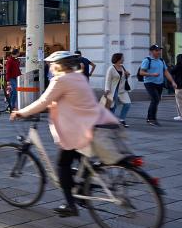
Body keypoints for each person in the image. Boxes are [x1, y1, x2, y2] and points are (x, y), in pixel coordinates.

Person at [11, 51, 119, 217]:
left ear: (58, 66)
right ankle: (84, 188)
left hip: (77, 130)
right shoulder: (79, 77)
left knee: (62, 165)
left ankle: (70, 204)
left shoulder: (60, 80)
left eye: (51, 65)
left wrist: (21, 113)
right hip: (94, 124)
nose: (50, 67)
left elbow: (43, 101)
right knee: (81, 161)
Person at [138, 44, 177, 126]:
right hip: (149, 83)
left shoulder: (161, 61)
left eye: (159, 50)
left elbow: (166, 72)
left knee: (155, 100)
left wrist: (173, 82)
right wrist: (152, 74)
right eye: (157, 50)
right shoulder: (147, 60)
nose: (159, 52)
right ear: (151, 51)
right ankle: (152, 119)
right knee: (155, 99)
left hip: (159, 83)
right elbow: (141, 72)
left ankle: (150, 118)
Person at [103, 53, 132, 126]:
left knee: (128, 104)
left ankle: (121, 119)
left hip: (122, 90)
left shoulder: (122, 67)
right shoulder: (111, 68)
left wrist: (127, 75)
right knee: (113, 105)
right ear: (118, 59)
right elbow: (108, 80)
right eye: (122, 57)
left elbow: (123, 79)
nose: (124, 59)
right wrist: (107, 89)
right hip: (113, 90)